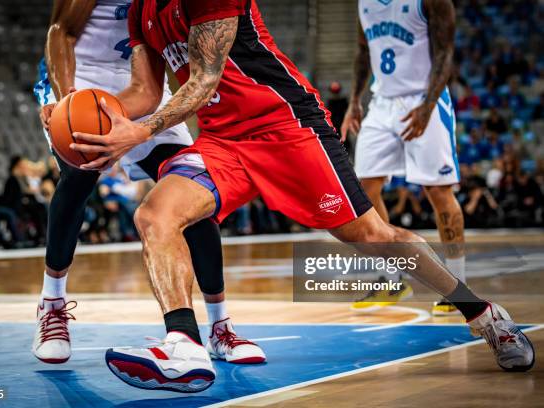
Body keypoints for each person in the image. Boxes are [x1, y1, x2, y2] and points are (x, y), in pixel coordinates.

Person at [70, 0, 534, 392]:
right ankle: (184, 345)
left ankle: (484, 315)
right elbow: (144, 91)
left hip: (285, 126)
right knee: (155, 215)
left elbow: (203, 80)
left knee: (372, 236)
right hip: (221, 141)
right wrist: (83, 113)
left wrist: (139, 133)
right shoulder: (141, 10)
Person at [31, 0, 264, 367]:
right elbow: (63, 32)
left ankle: (220, 327)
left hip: (142, 83)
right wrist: (66, 100)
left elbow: (162, 71)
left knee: (191, 184)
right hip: (80, 77)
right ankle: (52, 306)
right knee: (79, 175)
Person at [341, 0, 468, 316]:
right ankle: (393, 277)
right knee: (363, 192)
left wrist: (427, 106)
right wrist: (355, 100)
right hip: (381, 104)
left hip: (424, 100)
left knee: (438, 192)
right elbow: (362, 53)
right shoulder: (365, 4)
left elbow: (445, 53)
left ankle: (460, 285)